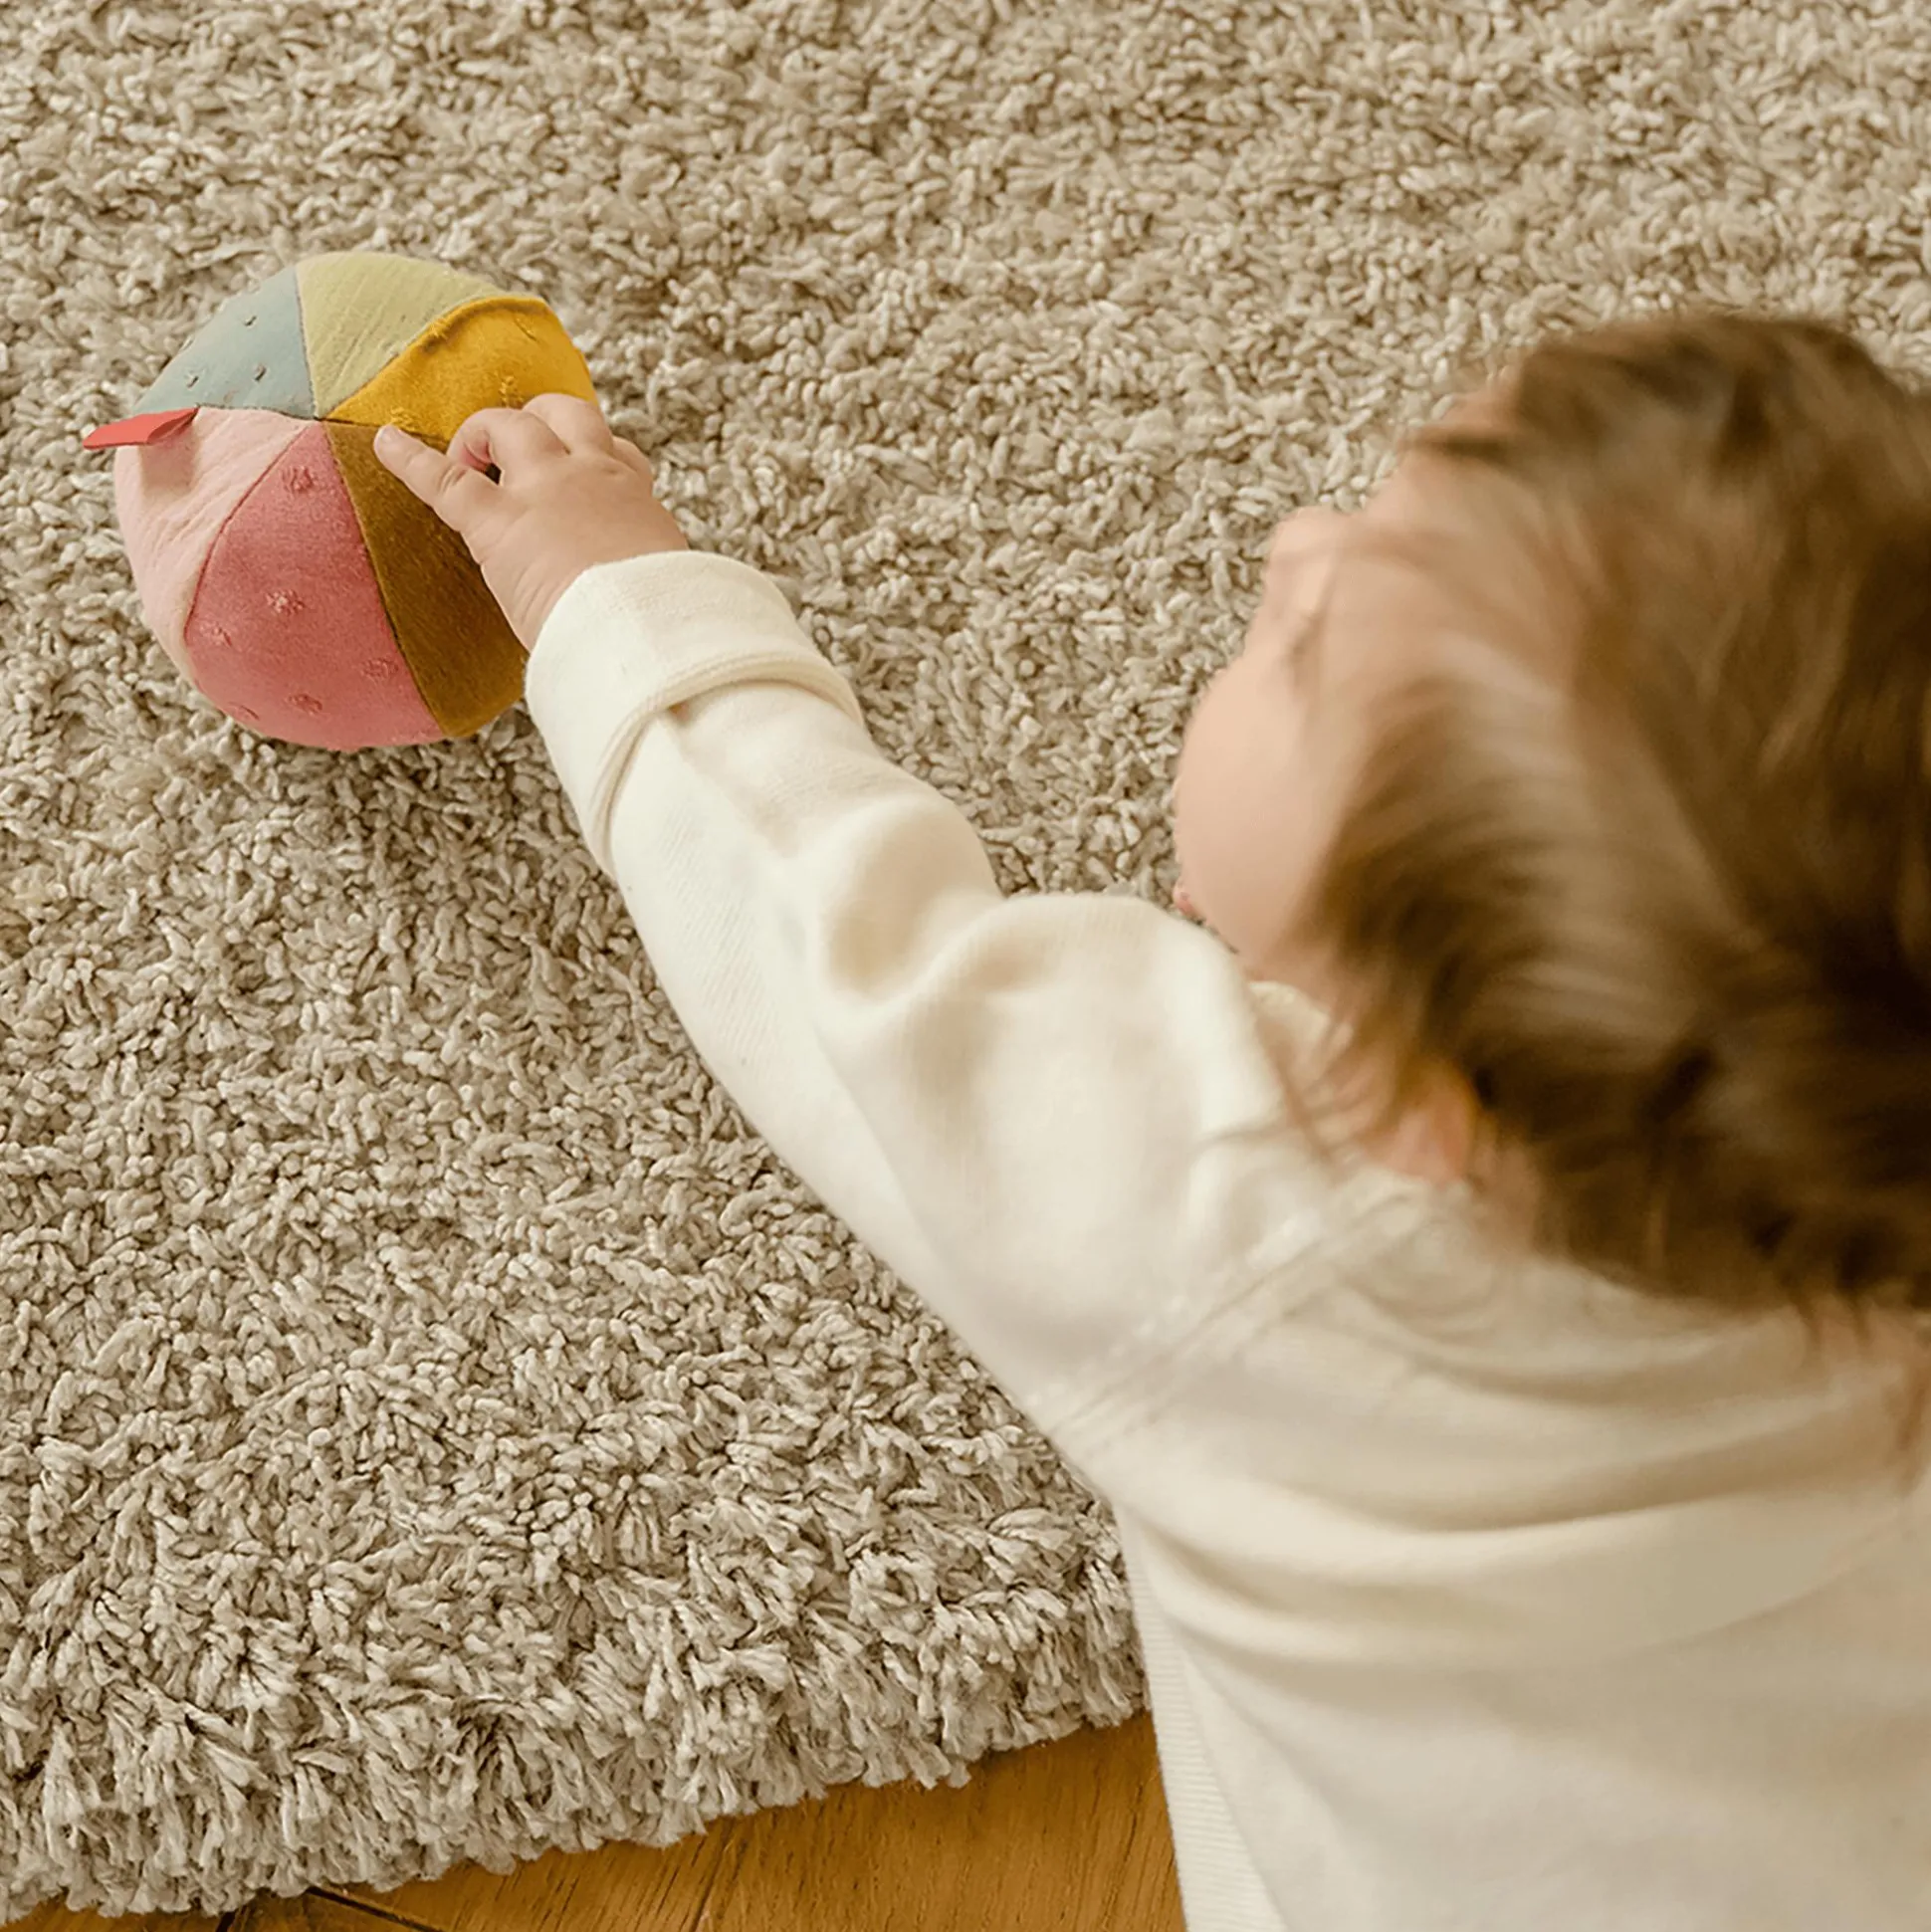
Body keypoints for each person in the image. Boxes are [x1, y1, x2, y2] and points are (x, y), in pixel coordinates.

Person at [374, 312, 1931, 1932]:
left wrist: (606, 595)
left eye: (1307, 645)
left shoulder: (1246, 1221)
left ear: (1424, 1104)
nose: (1299, 536)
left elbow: (842, 959)